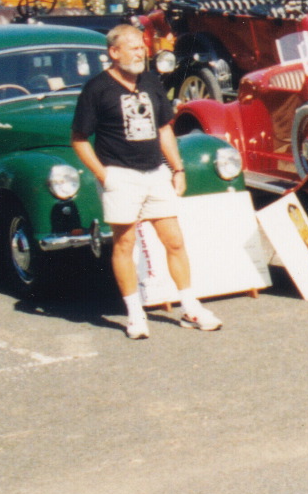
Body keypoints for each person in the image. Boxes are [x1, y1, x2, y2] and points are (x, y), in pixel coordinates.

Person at [71, 24, 222, 338]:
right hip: (119, 176)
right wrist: (104, 176)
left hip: (156, 173)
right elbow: (79, 139)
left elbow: (165, 128)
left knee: (175, 242)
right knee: (124, 245)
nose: (141, 53)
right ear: (114, 53)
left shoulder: (151, 82)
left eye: (142, 47)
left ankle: (190, 307)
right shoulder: (97, 89)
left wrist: (177, 169)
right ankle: (135, 314)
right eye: (134, 48)